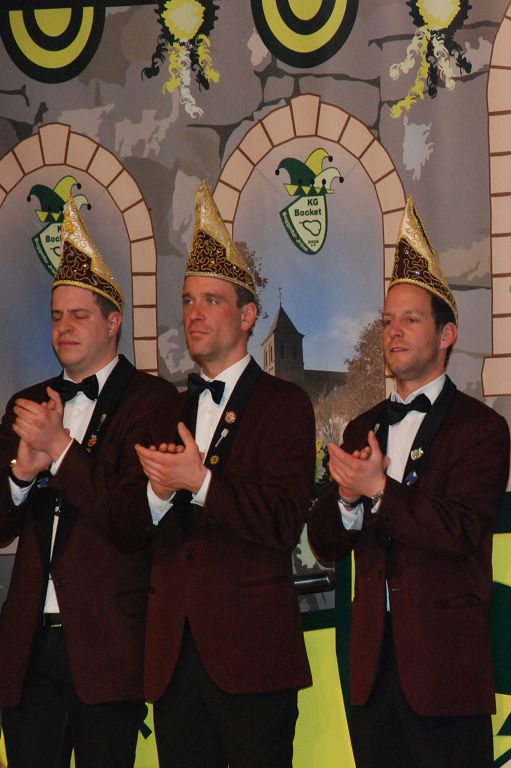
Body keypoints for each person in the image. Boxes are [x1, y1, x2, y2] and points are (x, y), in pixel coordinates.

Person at [308, 197, 510, 768]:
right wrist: (348, 500)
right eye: (388, 321)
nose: (394, 332)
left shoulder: (480, 428)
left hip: (445, 671)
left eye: (411, 319)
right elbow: (324, 543)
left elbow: (460, 530)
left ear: (447, 334)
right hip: (372, 669)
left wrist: (380, 490)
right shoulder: (363, 426)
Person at [119, 181, 315, 768]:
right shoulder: (163, 410)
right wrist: (157, 495)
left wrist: (201, 483)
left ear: (248, 316)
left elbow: (283, 522)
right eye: (187, 300)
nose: (194, 314)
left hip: (253, 658)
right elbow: (127, 528)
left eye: (210, 300)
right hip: (173, 659)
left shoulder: (284, 404)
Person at [0, 200, 175, 768]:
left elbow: (131, 520)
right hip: (27, 649)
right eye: (57, 316)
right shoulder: (26, 404)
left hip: (109, 647)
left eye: (78, 315)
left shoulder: (153, 402)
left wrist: (61, 450)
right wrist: (21, 474)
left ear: (113, 322)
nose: (64, 328)